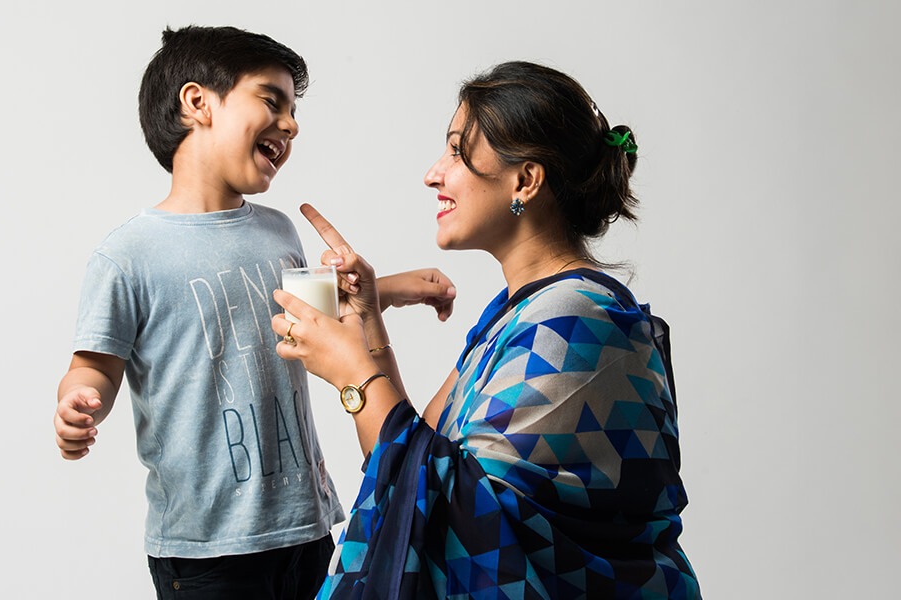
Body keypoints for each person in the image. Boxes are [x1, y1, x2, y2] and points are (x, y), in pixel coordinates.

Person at [272, 61, 701, 598]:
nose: (434, 173)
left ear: (525, 179)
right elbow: (409, 467)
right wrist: (365, 317)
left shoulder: (578, 322)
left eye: (456, 151)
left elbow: (459, 514)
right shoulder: (519, 311)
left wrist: (352, 374)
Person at [52, 25, 347, 599]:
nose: (290, 124)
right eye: (271, 100)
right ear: (198, 103)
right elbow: (95, 364)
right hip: (205, 549)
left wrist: (397, 288)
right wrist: (78, 400)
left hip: (304, 527)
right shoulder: (127, 255)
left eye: (293, 111)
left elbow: (319, 319)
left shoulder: (278, 230)